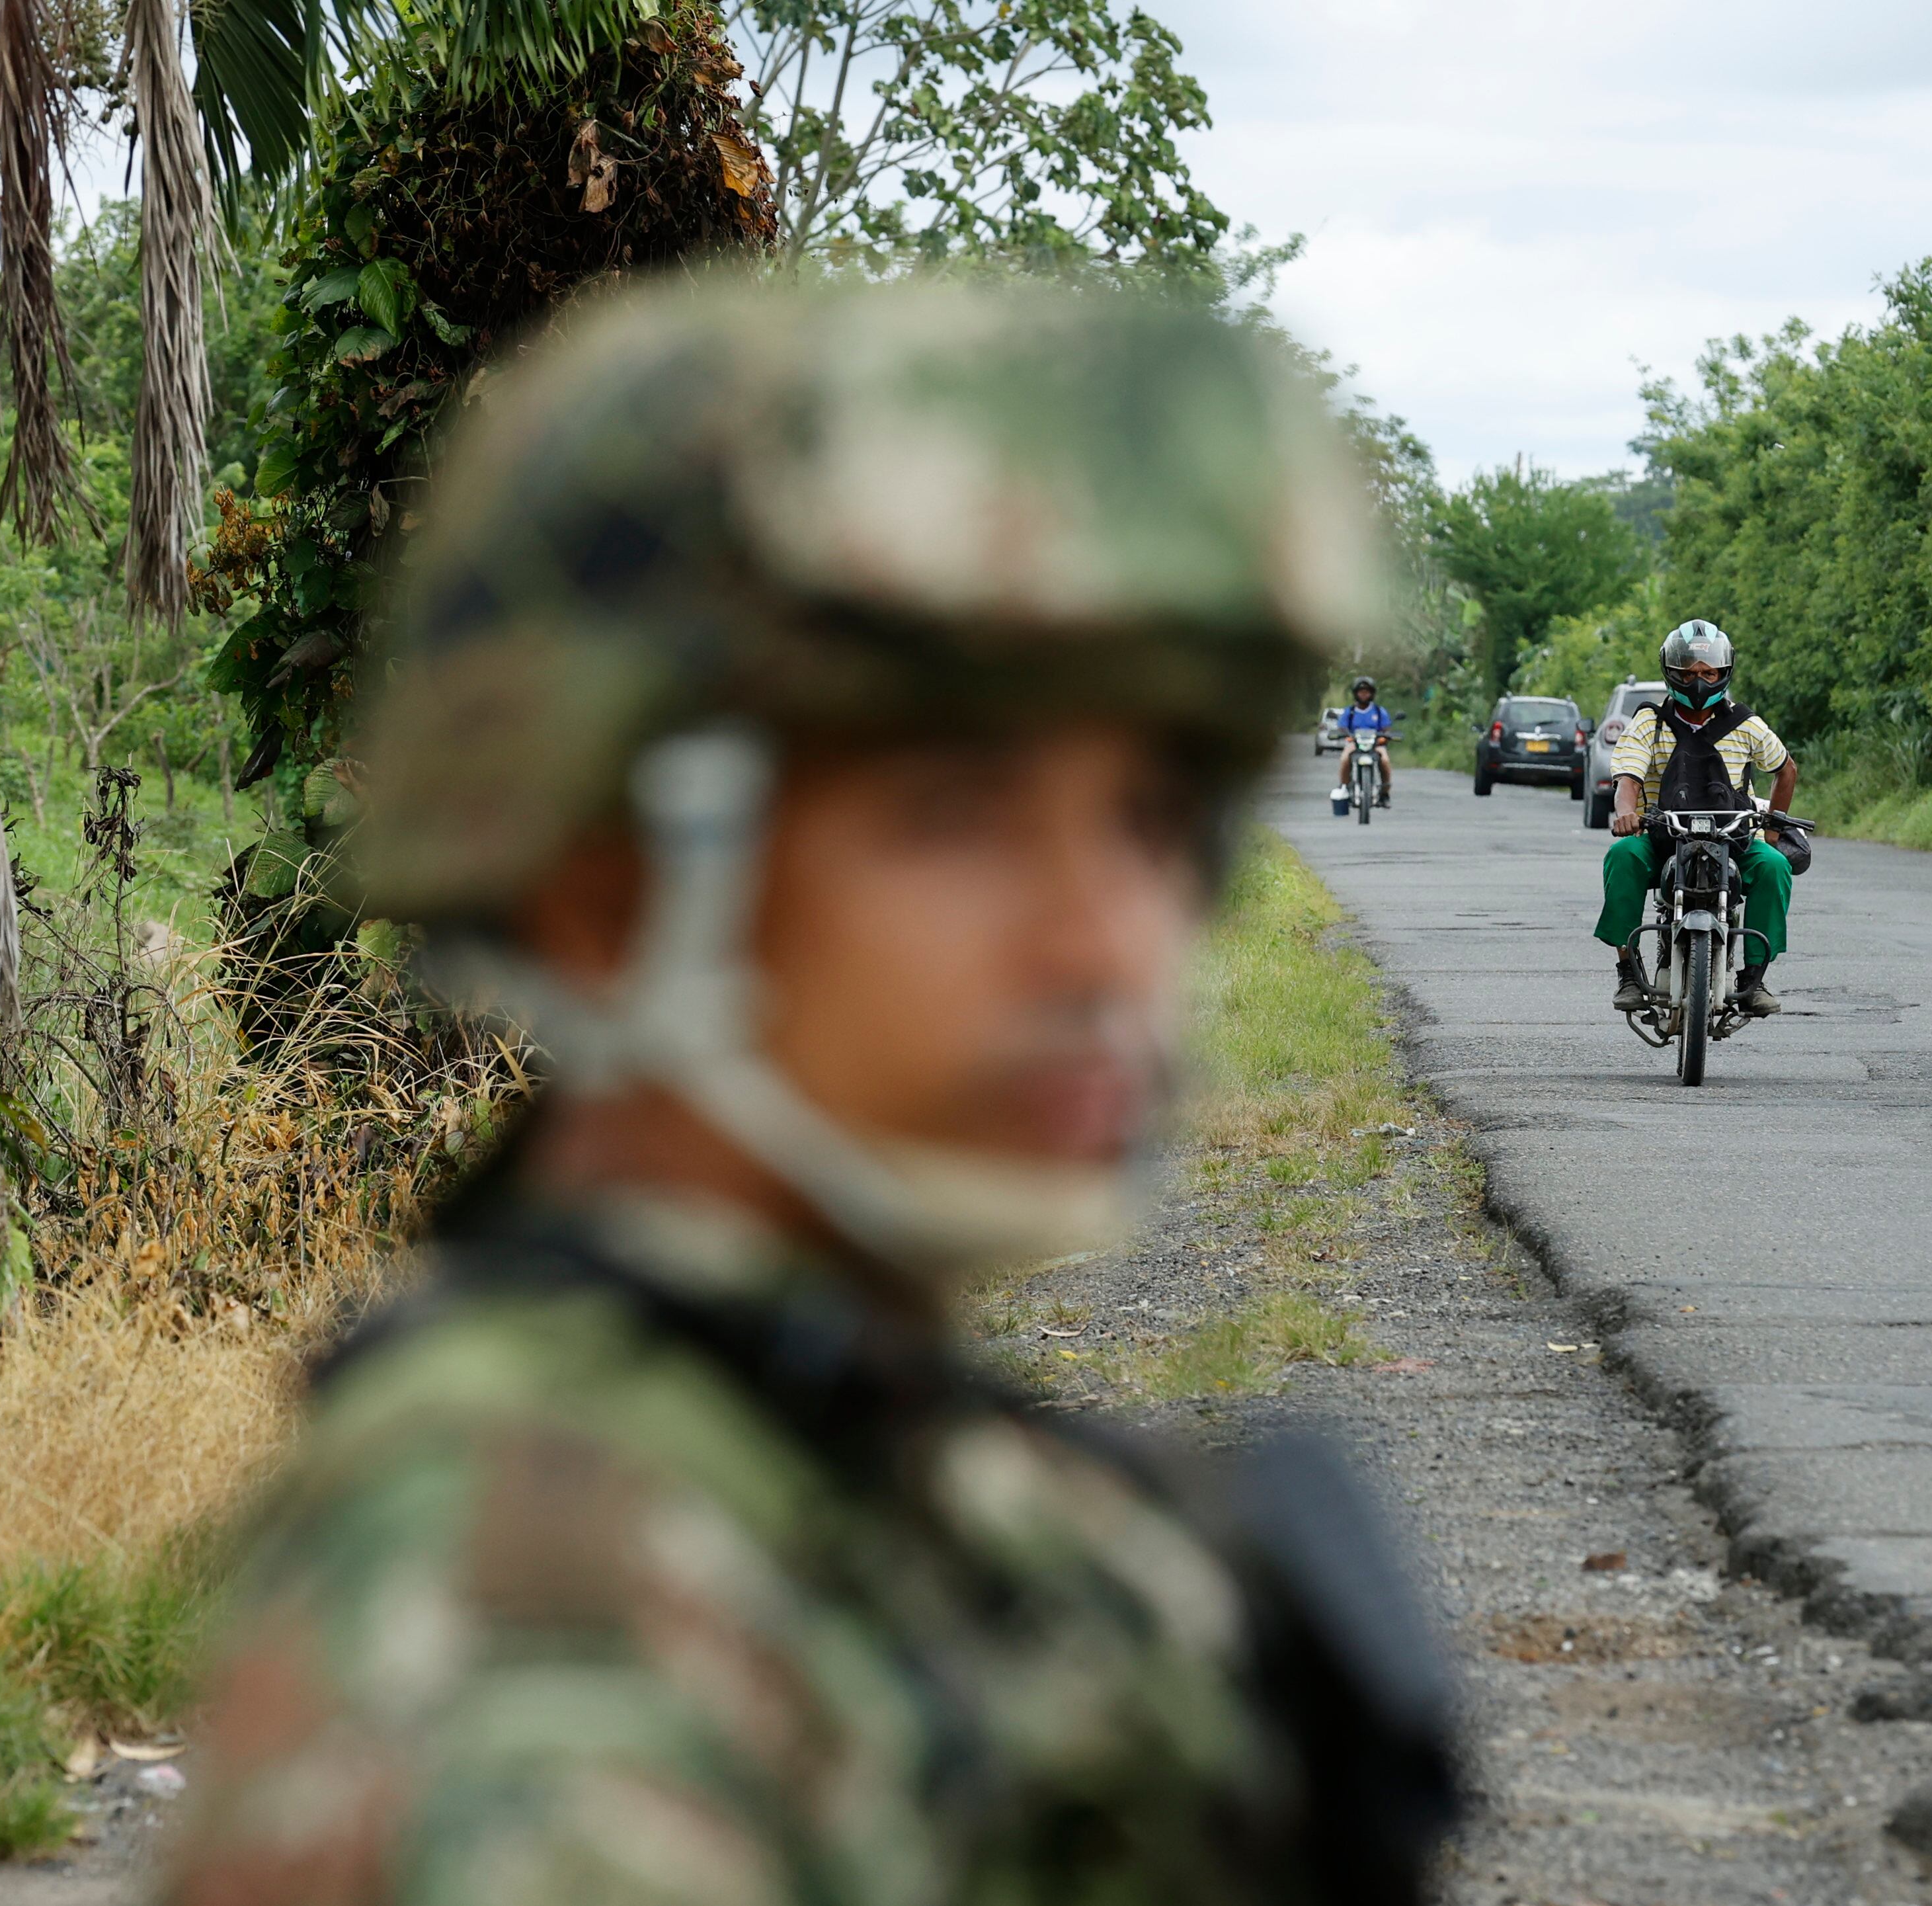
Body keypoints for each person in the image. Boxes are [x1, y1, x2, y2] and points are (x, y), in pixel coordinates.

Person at [155, 280, 1457, 1906]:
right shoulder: (547, 1653)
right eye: (955, 811)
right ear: (611, 890)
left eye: (1147, 816)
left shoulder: (812, 1437)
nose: (1105, 943)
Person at [1596, 620, 1796, 1016]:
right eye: (1689, 672)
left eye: (1708, 672)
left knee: (1775, 866)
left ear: (1724, 672)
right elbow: (1628, 780)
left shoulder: (1746, 725)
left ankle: (1754, 976)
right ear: (1671, 672)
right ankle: (1628, 972)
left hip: (1733, 839)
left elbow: (1786, 769)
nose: (1699, 680)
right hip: (1662, 835)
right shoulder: (1649, 724)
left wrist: (1772, 829)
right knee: (1622, 858)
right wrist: (1626, 815)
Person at [1336, 673, 1393, 804]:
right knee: (1345, 759)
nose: (1364, 695)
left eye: (1367, 692)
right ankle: (1344, 787)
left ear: (1372, 694)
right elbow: (1342, 728)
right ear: (1356, 694)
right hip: (1355, 743)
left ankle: (1385, 793)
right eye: (1361, 692)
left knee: (1385, 761)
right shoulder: (1349, 712)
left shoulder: (1379, 711)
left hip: (1376, 744)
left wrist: (1385, 737)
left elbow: (1386, 729)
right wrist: (1347, 735)